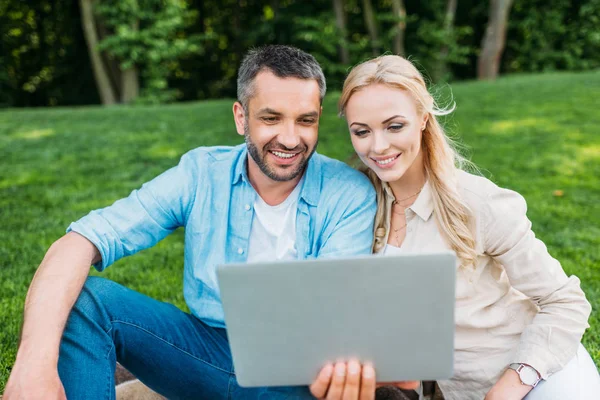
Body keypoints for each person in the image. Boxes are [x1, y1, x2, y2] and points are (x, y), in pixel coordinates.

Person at [5, 45, 380, 399]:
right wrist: (31, 366)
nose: (289, 137)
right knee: (88, 299)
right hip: (204, 354)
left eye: (305, 121)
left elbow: (335, 316)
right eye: (271, 118)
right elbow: (81, 240)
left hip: (295, 375)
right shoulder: (202, 173)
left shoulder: (348, 193)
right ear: (241, 117)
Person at [310, 55, 599, 400]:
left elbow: (565, 301)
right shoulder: (356, 206)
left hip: (531, 375)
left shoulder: (478, 202)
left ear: (423, 119)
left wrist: (510, 385)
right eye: (362, 131)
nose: (378, 146)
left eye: (394, 126)